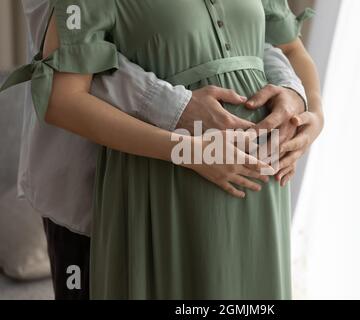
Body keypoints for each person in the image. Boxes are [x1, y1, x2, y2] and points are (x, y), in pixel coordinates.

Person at [2, 0, 323, 299]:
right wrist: (184, 124)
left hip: (255, 190)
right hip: (125, 182)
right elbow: (74, 77)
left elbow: (265, 41)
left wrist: (301, 101)